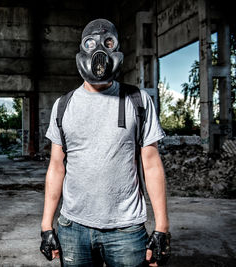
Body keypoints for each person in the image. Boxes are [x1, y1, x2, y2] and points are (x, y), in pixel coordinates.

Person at [40, 18, 171, 266]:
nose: (100, 51)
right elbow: (56, 167)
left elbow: (152, 165)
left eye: (108, 43)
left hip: (126, 231)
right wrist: (47, 224)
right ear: (81, 52)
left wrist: (162, 228)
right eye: (91, 43)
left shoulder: (138, 100)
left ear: (117, 51)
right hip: (73, 228)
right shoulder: (63, 105)